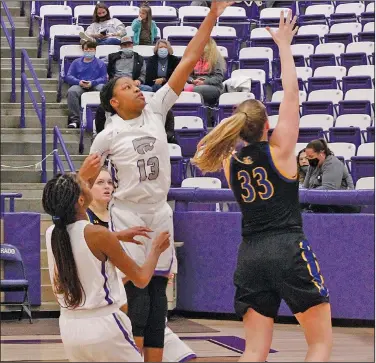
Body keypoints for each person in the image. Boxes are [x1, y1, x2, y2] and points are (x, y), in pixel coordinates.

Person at [89, 1, 235, 361]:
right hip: (127, 216)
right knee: (136, 303)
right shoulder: (108, 135)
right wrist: (94, 226)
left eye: (135, 82)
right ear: (113, 101)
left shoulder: (155, 109)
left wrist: (212, 16)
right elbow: (84, 181)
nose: (137, 85)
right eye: (127, 86)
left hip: (159, 213)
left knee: (157, 307)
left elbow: (186, 61)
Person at [192, 11, 332, 362]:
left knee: (254, 350)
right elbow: (292, 93)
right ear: (267, 124)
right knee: (319, 344)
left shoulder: (229, 161)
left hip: (250, 254)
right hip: (287, 247)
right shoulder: (282, 149)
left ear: (238, 129)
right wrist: (284, 45)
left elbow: (209, 147)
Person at [42, 154, 171, 362]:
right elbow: (141, 278)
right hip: (104, 326)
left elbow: (82, 242)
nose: (88, 184)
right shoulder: (99, 235)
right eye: (85, 185)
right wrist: (156, 249)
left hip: (69, 328)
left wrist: (116, 236)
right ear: (81, 200)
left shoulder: (53, 234)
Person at [86, 168, 197, 362]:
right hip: (109, 304)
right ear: (87, 188)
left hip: (146, 302)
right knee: (137, 305)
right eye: (100, 182)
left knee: (187, 358)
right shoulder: (86, 222)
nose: (107, 187)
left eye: (110, 183)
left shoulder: (132, 214)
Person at [303, 138, 359, 213]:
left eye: (311, 156)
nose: (309, 160)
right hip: (321, 202)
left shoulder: (333, 164)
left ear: (321, 153)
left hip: (343, 204)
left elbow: (329, 189)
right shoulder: (312, 166)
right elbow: (305, 187)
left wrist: (308, 194)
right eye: (308, 157)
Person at [66, 41, 107, 129]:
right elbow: (69, 76)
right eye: (86, 49)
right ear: (83, 50)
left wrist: (93, 82)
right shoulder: (76, 62)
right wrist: (79, 82)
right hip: (80, 85)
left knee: (103, 89)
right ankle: (75, 120)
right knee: (72, 91)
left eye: (91, 49)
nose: (88, 51)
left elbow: (103, 78)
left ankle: (103, 117)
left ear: (95, 50)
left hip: (95, 85)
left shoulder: (101, 63)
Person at [185, 38, 226, 108]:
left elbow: (219, 78)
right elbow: (187, 75)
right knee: (182, 89)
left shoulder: (216, 58)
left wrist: (204, 82)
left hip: (214, 87)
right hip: (196, 84)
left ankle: (200, 110)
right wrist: (192, 81)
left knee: (196, 90)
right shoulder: (195, 57)